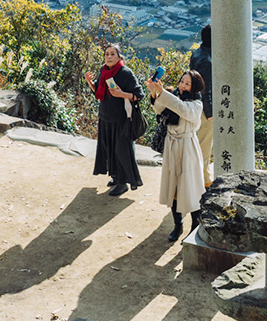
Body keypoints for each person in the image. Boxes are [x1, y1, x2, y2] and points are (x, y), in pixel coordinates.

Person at [146, 70, 207, 242]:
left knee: (190, 188)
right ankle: (177, 224)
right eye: (182, 81)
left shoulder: (196, 104)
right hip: (172, 145)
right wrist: (154, 92)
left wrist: (163, 92)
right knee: (173, 186)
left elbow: (181, 109)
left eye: (187, 83)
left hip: (187, 146)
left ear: (194, 87)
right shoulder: (174, 96)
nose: (182, 85)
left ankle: (195, 225)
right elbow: (160, 109)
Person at [85, 43, 143, 196]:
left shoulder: (125, 73)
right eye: (107, 54)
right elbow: (98, 91)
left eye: (112, 54)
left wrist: (122, 94)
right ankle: (116, 177)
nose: (109, 57)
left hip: (121, 120)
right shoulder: (103, 71)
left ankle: (123, 183)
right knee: (109, 149)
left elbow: (139, 95)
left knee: (121, 151)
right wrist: (90, 83)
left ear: (119, 57)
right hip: (105, 118)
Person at [190, 23, 213, 186]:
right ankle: (204, 181)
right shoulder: (207, 61)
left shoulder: (198, 53)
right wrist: (210, 112)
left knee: (200, 143)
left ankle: (200, 177)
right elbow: (206, 89)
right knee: (204, 145)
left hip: (196, 105)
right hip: (204, 109)